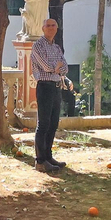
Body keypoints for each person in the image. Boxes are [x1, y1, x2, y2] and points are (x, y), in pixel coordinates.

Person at [29, 18, 71, 173]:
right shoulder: (38, 45)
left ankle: (48, 157)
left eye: (53, 25)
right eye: (48, 25)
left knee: (53, 124)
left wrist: (57, 68)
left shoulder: (57, 48)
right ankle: (40, 161)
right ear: (43, 28)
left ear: (57, 28)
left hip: (56, 86)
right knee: (43, 124)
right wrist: (56, 68)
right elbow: (46, 67)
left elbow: (65, 67)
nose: (51, 28)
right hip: (45, 87)